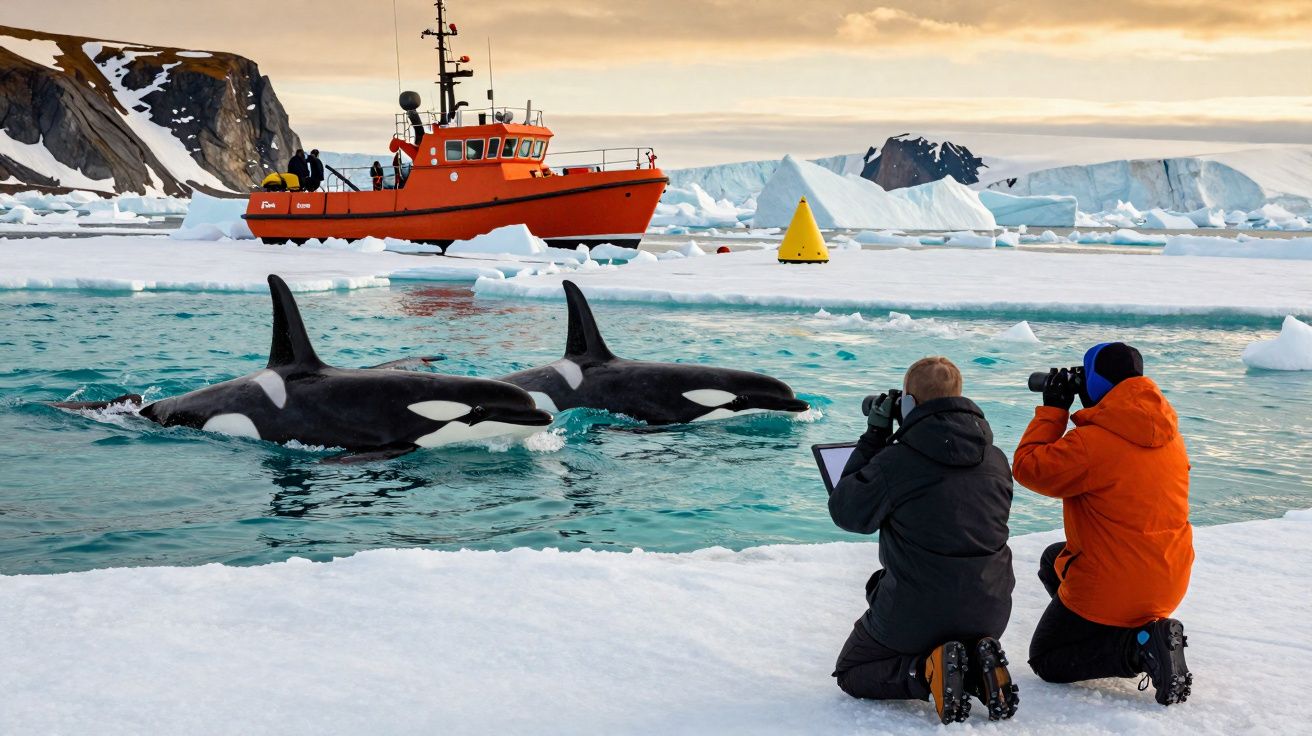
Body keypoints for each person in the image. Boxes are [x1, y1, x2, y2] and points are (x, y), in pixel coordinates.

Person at [829, 357, 1018, 725]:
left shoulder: (897, 461)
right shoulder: (996, 459)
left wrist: (874, 439)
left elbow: (847, 512)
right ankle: (978, 670)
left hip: (917, 614)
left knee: (852, 671)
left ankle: (926, 672)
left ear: (910, 405)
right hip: (990, 612)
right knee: (881, 586)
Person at [1012, 342, 1194, 706]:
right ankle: (1141, 631)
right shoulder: (1169, 434)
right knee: (1055, 559)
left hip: (1116, 583)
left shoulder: (1091, 444)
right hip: (1169, 579)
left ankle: (1139, 648)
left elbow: (1027, 467)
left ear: (1095, 383)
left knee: (1047, 660)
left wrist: (1054, 410)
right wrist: (1094, 406)